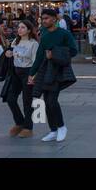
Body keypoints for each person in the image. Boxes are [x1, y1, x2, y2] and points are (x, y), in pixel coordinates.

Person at [28, 7, 78, 142]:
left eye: (46, 18)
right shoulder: (43, 33)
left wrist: (54, 54)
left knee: (52, 101)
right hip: (46, 69)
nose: (44, 21)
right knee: (46, 101)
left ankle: (62, 127)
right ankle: (53, 130)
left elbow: (74, 51)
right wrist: (32, 73)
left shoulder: (64, 34)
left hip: (59, 70)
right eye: (42, 18)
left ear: (54, 19)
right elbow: (39, 55)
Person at [4, 20, 40, 137]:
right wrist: (8, 53)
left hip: (27, 72)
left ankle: (28, 127)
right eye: (19, 27)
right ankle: (19, 122)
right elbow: (12, 53)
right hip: (15, 72)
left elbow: (36, 61)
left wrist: (33, 76)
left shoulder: (33, 43)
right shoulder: (16, 41)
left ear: (29, 30)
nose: (19, 29)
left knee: (27, 101)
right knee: (10, 98)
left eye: (23, 27)